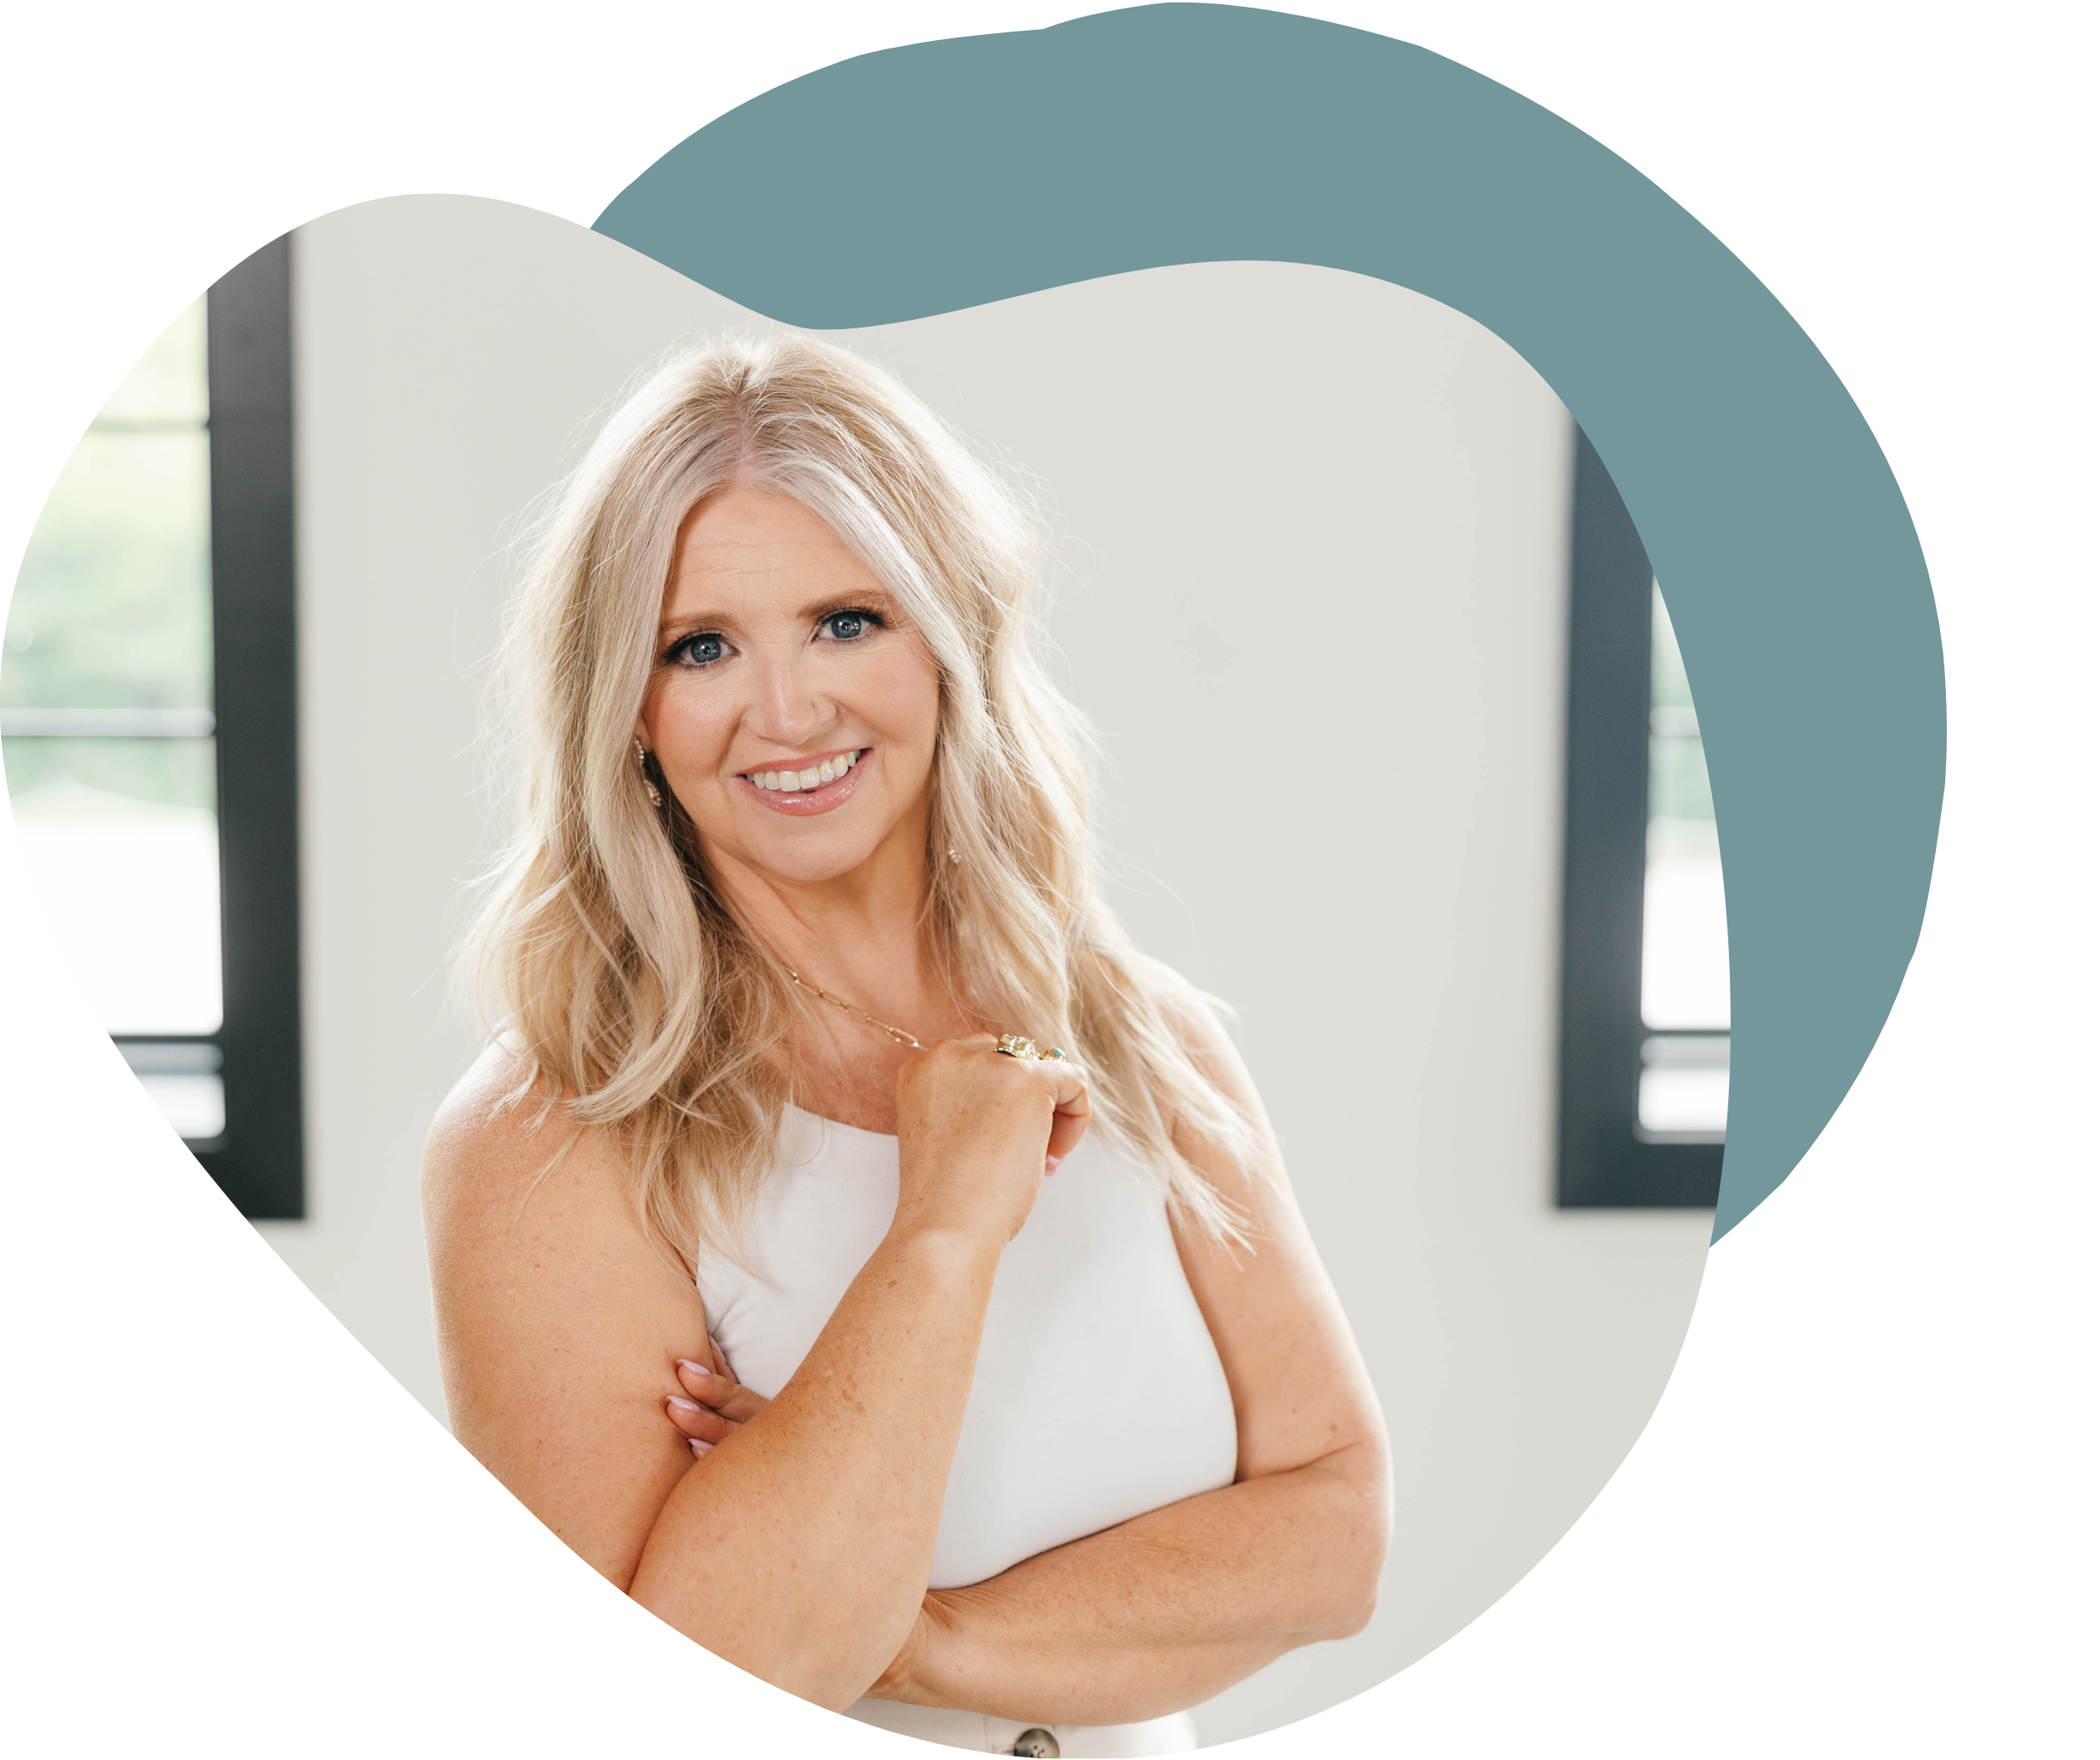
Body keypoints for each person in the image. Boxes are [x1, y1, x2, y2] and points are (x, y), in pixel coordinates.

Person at [423, 333, 1390, 1756]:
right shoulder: (555, 1130)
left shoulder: (1143, 1040)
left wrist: (910, 1632)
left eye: (847, 621)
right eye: (701, 647)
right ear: (624, 709)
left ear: (949, 637)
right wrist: (941, 1226)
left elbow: (1338, 1537)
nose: (789, 712)